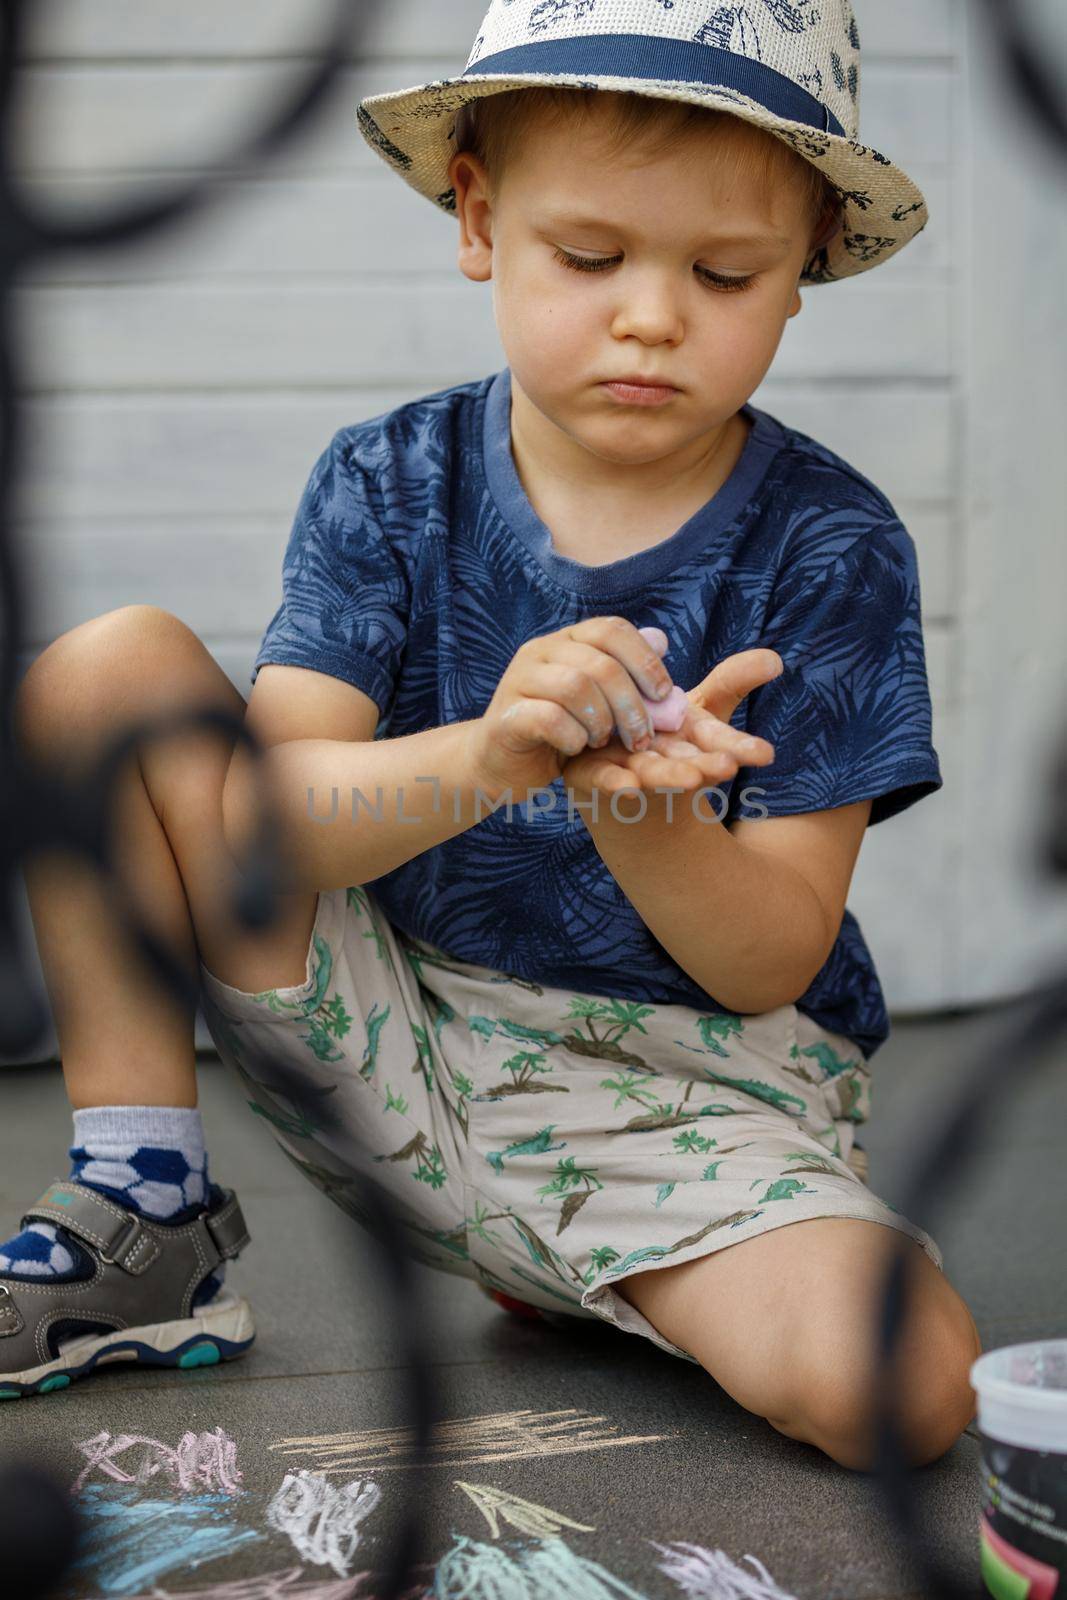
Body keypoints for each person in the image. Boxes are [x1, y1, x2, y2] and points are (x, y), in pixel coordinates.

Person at [3, 0, 982, 1471]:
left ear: (806, 274)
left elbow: (771, 957)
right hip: (389, 1029)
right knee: (101, 674)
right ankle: (146, 1207)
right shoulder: (392, 483)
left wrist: (635, 811)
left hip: (679, 1100)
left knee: (908, 1391)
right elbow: (260, 829)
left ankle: (616, 1272)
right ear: (479, 217)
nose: (651, 314)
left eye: (725, 272)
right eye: (589, 259)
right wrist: (498, 754)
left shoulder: (829, 547)